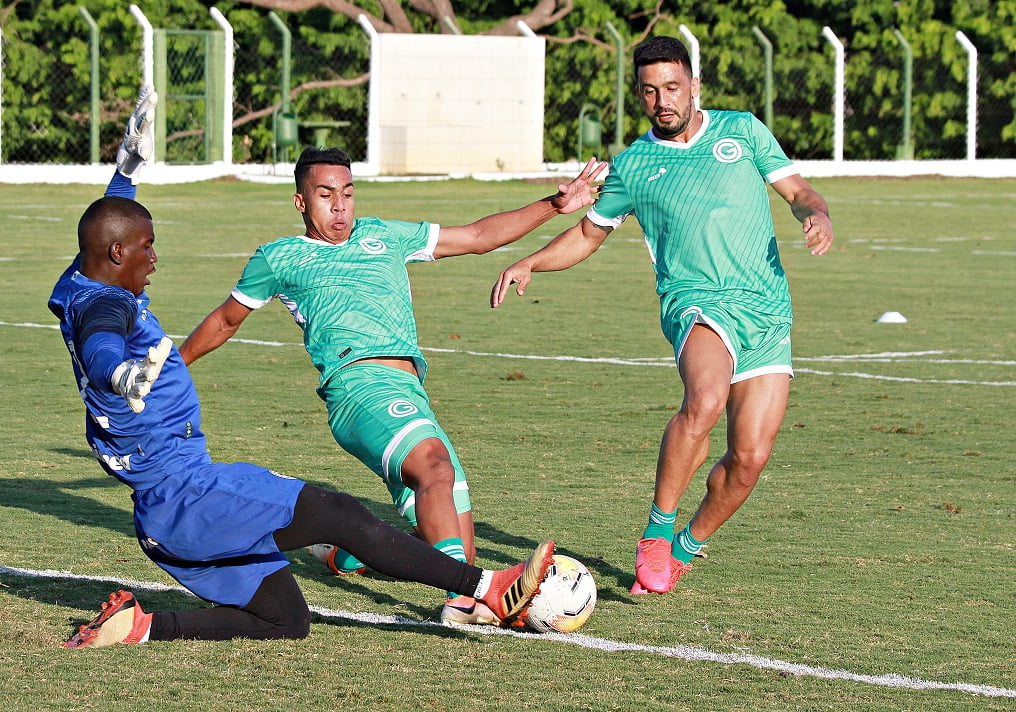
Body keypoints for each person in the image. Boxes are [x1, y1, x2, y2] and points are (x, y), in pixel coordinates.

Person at [48, 90, 556, 647]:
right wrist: (118, 374)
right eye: (148, 247)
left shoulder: (81, 279)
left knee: (288, 620)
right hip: (188, 493)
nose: (155, 257)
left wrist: (128, 169)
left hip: (167, 518)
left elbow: (105, 226)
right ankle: (485, 586)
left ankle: (141, 627)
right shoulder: (106, 305)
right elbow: (102, 345)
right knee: (337, 507)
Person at [177, 147, 605, 625]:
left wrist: (555, 205)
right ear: (301, 202)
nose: (339, 207)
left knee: (451, 536)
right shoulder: (280, 258)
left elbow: (480, 237)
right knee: (435, 469)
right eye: (325, 195)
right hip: (358, 389)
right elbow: (225, 319)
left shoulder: (382, 234)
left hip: (408, 393)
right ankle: (462, 600)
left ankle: (349, 552)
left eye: (347, 193)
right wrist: (174, 366)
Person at [491, 36, 835, 595]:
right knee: (704, 398)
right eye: (650, 91)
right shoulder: (633, 164)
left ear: (694, 86)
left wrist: (814, 214)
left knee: (749, 459)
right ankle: (657, 529)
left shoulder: (742, 131)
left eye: (672, 88)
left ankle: (685, 547)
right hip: (695, 302)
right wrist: (532, 261)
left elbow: (798, 190)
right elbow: (586, 234)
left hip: (768, 310)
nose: (662, 101)